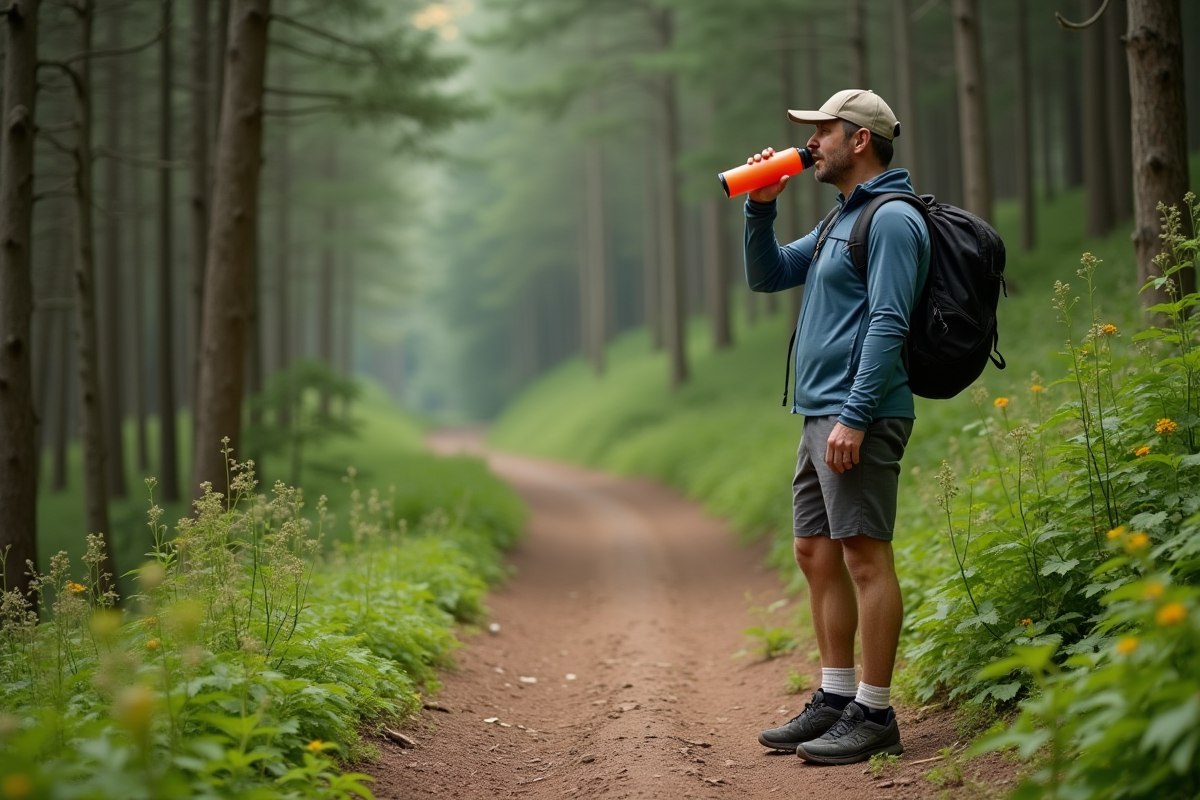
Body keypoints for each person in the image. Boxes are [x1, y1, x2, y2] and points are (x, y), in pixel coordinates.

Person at [745, 89, 929, 766]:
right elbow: (768, 276)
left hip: (862, 414)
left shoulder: (891, 220)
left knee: (863, 557)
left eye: (823, 130)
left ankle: (876, 713)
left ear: (860, 141)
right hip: (818, 414)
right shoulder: (836, 223)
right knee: (816, 553)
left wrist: (854, 414)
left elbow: (889, 320)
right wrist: (760, 209)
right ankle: (835, 696)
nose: (811, 142)